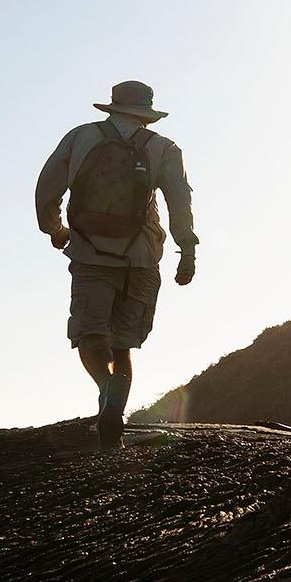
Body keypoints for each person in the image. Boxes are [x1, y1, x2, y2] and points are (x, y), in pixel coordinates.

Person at [36, 80, 198, 449]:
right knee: (123, 344)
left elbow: (48, 188)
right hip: (140, 256)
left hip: (89, 252)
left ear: (112, 107)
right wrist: (187, 249)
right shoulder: (164, 148)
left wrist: (55, 229)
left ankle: (106, 390)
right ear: (147, 114)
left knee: (91, 334)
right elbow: (180, 202)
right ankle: (116, 407)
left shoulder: (80, 138)